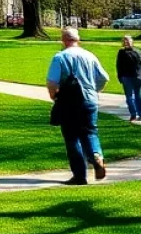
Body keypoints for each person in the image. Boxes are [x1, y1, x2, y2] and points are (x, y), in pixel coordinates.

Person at [46, 27, 110, 184]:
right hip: (90, 100)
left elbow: (52, 82)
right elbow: (104, 78)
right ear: (78, 39)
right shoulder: (90, 55)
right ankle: (96, 155)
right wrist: (95, 90)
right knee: (90, 131)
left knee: (72, 137)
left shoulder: (60, 57)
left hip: (69, 102)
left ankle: (80, 175)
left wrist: (54, 95)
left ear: (63, 40)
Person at [116, 35, 141, 123]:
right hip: (133, 76)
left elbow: (119, 65)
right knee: (135, 96)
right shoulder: (137, 51)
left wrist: (120, 76)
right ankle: (137, 114)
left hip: (130, 77)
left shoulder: (123, 52)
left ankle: (134, 114)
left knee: (131, 96)